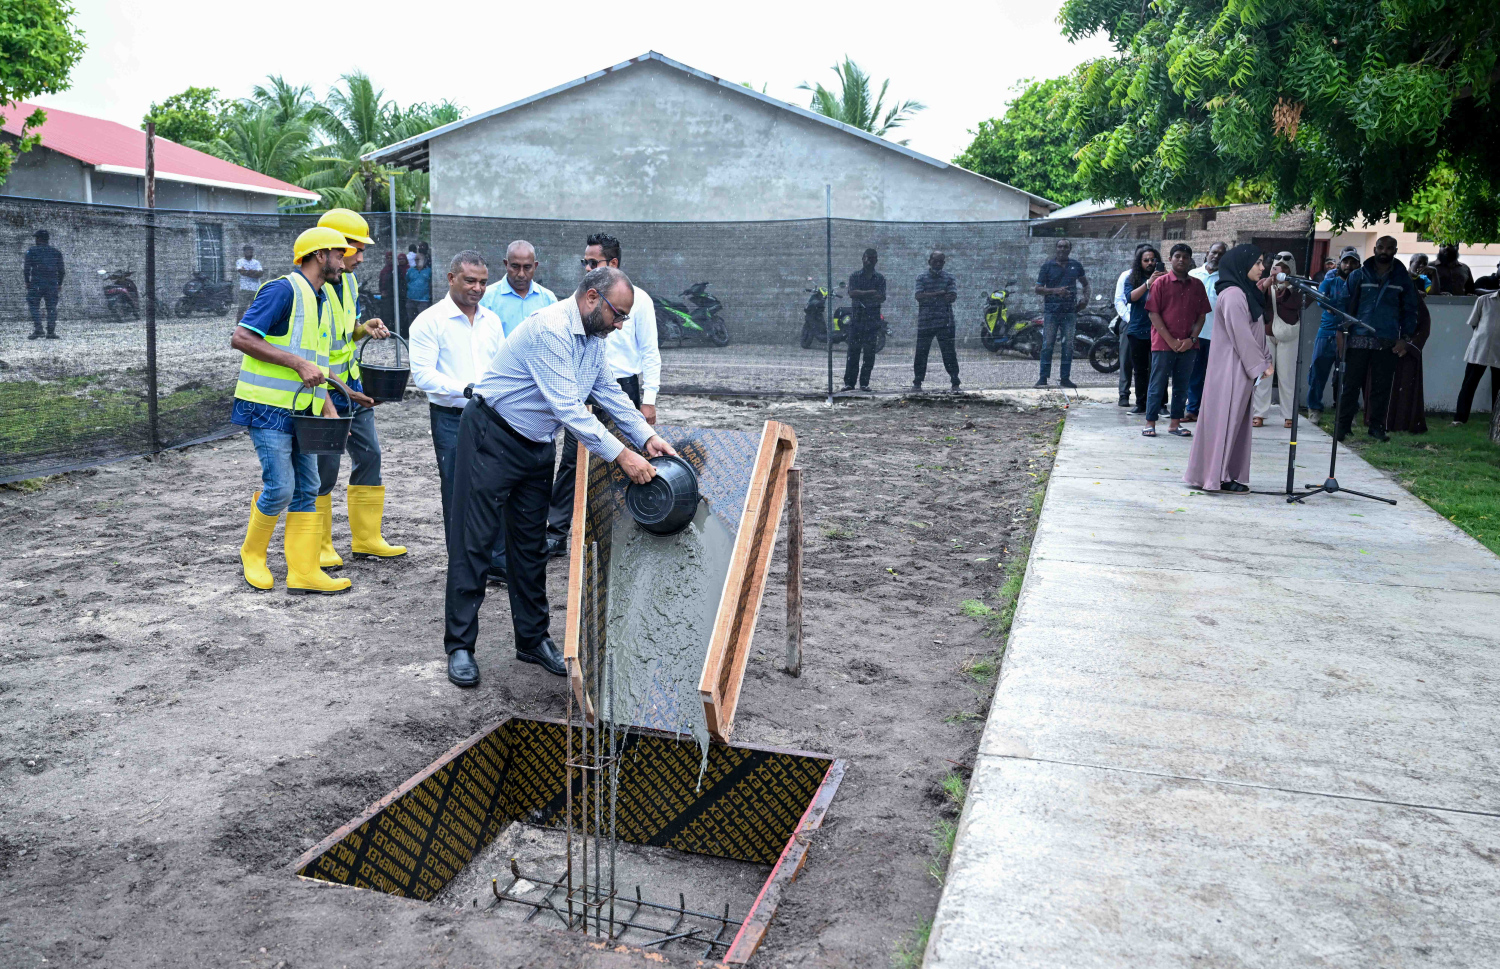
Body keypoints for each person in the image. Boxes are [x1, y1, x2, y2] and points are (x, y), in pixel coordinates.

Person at [443, 266, 678, 689]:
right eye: (618, 314)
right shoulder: (550, 329)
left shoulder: (593, 338)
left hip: (535, 445)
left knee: (530, 547)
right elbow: (569, 408)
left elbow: (607, 392)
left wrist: (647, 437)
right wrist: (623, 455)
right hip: (491, 436)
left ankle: (532, 640)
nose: (621, 324)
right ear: (591, 298)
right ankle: (460, 646)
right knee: (474, 542)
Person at [230, 226, 369, 594]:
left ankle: (303, 571)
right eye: (339, 253)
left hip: (303, 409)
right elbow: (241, 338)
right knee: (281, 488)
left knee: (308, 488)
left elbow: (316, 365)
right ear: (320, 255)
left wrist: (332, 410)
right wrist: (296, 364)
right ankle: (253, 554)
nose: (344, 259)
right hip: (267, 408)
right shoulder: (282, 290)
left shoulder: (321, 298)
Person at [545, 233, 660, 557]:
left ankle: (622, 531)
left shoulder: (642, 302)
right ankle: (556, 532)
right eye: (585, 262)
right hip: (580, 386)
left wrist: (647, 401)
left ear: (613, 263)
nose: (587, 267)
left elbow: (650, 353)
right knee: (571, 459)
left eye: (593, 262)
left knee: (627, 459)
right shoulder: (584, 302)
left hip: (620, 388)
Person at [312, 209, 405, 570]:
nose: (361, 257)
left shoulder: (347, 282)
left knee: (370, 456)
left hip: (349, 383)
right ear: (332, 247)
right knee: (325, 468)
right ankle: (319, 544)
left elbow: (342, 330)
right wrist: (334, 392)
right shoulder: (309, 287)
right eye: (355, 248)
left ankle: (366, 539)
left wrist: (362, 328)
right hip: (323, 389)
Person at [408, 251, 509, 580]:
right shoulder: (429, 322)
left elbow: (502, 367)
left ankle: (496, 562)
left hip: (492, 416)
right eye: (470, 280)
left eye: (482, 281)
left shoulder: (491, 321)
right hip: (452, 418)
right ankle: (464, 567)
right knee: (458, 489)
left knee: (495, 486)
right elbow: (423, 376)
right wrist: (466, 390)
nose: (478, 288)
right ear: (451, 279)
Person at [1183, 244, 1274, 495]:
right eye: (1257, 263)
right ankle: (1217, 476)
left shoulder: (1246, 292)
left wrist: (1265, 357)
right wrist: (1261, 365)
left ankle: (1225, 473)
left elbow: (1256, 332)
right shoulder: (1233, 294)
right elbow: (1241, 335)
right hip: (1231, 368)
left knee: (1234, 422)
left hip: (1240, 367)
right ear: (1242, 265)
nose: (1262, 267)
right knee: (1225, 420)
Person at [1339, 236, 1418, 443]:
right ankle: (1342, 427)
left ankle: (1376, 428)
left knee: (1382, 388)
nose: (1384, 251)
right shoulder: (1358, 275)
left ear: (1395, 250)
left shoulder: (1402, 279)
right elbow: (1344, 305)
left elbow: (1410, 311)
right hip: (1358, 338)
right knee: (1350, 386)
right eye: (1381, 247)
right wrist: (1343, 332)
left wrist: (1405, 339)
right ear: (1374, 248)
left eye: (1389, 248)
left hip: (1387, 340)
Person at [1142, 243, 1210, 438]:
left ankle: (1175, 424)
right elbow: (1153, 314)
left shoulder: (1197, 285)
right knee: (1157, 383)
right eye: (1177, 256)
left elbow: (1201, 316)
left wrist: (1192, 339)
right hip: (1163, 344)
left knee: (1183, 384)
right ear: (1170, 259)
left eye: (1185, 257)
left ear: (1190, 261)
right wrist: (1171, 340)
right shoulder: (1160, 283)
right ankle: (1150, 423)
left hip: (1189, 345)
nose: (1181, 260)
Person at [1252, 252, 1313, 429]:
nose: (1280, 271)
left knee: (1288, 376)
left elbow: (1298, 304)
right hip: (1267, 332)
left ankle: (1289, 414)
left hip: (1289, 334)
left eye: (1285, 268)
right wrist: (1268, 284)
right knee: (1264, 375)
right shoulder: (1264, 282)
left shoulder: (1299, 285)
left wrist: (1288, 286)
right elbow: (1254, 298)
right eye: (1277, 267)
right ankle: (1259, 413)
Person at [1368, 266, 1430, 434]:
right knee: (1379, 386)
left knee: (1404, 391)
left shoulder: (1414, 297)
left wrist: (1408, 346)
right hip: (1383, 348)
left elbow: (1424, 325)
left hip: (1406, 353)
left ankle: (1401, 424)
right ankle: (1376, 423)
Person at [1307, 248, 1361, 421]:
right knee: (1318, 371)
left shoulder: (1361, 283)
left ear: (1358, 265)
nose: (1349, 265)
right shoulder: (1330, 281)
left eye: (1353, 262)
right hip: (1328, 331)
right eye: (1346, 262)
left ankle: (1346, 412)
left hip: (1350, 334)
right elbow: (1320, 299)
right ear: (1340, 263)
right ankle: (1314, 408)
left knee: (1347, 375)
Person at [1033, 239, 1089, 388]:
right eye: (1059, 246)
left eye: (1065, 247)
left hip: (1070, 312)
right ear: (1056, 248)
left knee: (1068, 346)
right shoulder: (1047, 266)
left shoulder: (1075, 265)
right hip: (1051, 311)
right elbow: (1038, 288)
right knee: (1047, 345)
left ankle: (1065, 378)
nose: (1062, 249)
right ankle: (1043, 378)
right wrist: (1055, 291)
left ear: (1070, 249)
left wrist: (1085, 299)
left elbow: (1085, 284)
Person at [1185, 242, 1227, 421]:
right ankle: (1192, 410)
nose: (1216, 256)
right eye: (1214, 252)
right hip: (1194, 334)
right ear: (1207, 253)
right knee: (1193, 374)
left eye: (1221, 254)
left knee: (1214, 376)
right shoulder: (1192, 275)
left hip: (1218, 335)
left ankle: (1209, 413)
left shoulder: (1226, 278)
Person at [479, 240, 557, 337]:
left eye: (527, 267)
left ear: (535, 266)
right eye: (515, 267)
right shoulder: (486, 299)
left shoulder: (548, 299)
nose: (521, 274)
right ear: (506, 264)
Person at [911, 250, 960, 392]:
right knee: (921, 353)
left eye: (941, 262)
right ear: (929, 262)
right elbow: (919, 296)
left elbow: (952, 297)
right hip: (926, 322)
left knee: (949, 353)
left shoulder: (949, 277)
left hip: (945, 322)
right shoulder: (921, 277)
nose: (938, 264)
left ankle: (955, 381)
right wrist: (939, 293)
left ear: (944, 263)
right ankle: (917, 382)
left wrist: (930, 296)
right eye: (935, 261)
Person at [1123, 247, 1164, 412]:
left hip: (1160, 331)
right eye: (1146, 260)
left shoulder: (1165, 278)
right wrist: (1148, 284)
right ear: (1140, 262)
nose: (1150, 263)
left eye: (1153, 260)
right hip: (1138, 330)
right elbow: (1130, 297)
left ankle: (1160, 404)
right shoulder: (1132, 278)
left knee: (1159, 369)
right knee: (1140, 370)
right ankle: (1141, 404)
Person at [1453, 289, 1500, 425]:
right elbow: (1474, 323)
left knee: (1498, 389)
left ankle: (1496, 422)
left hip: (1499, 351)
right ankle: (1459, 419)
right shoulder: (1484, 300)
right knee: (1469, 384)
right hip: (1480, 349)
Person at [842, 248, 886, 392]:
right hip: (857, 319)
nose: (870, 261)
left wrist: (863, 295)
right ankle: (849, 383)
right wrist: (870, 293)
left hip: (872, 320)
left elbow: (881, 297)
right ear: (863, 259)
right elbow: (852, 293)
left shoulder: (880, 278)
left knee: (869, 353)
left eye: (873, 258)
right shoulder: (855, 276)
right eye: (868, 258)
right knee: (853, 353)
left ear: (876, 260)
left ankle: (864, 383)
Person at [1112, 243, 1151, 407]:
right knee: (1127, 360)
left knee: (1148, 363)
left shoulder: (1157, 277)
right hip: (1130, 323)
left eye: (1151, 258)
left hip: (1151, 324)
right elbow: (1119, 300)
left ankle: (1146, 397)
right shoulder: (1127, 276)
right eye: (1143, 258)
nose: (1148, 262)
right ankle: (1124, 394)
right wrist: (1130, 318)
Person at [24, 229, 64, 340]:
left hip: (36, 283)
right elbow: (61, 270)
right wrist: (59, 283)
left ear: (39, 239)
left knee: (34, 306)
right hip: (52, 283)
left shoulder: (31, 251)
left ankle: (39, 330)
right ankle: (51, 332)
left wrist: (27, 281)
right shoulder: (56, 252)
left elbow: (27, 268)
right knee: (51, 307)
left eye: (36, 238)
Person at [234, 245, 263, 323]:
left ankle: (253, 326)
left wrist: (248, 272)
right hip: (244, 288)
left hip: (255, 288)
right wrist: (253, 272)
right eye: (247, 251)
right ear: (244, 252)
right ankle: (239, 327)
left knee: (255, 308)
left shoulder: (256, 262)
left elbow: (260, 273)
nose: (250, 252)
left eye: (251, 251)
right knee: (241, 308)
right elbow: (242, 272)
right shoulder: (240, 261)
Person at [405, 251, 432, 323]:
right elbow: (406, 281)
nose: (416, 261)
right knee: (411, 320)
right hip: (411, 299)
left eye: (418, 259)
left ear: (424, 260)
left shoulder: (429, 271)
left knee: (423, 321)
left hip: (423, 301)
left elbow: (431, 284)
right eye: (415, 260)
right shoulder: (410, 270)